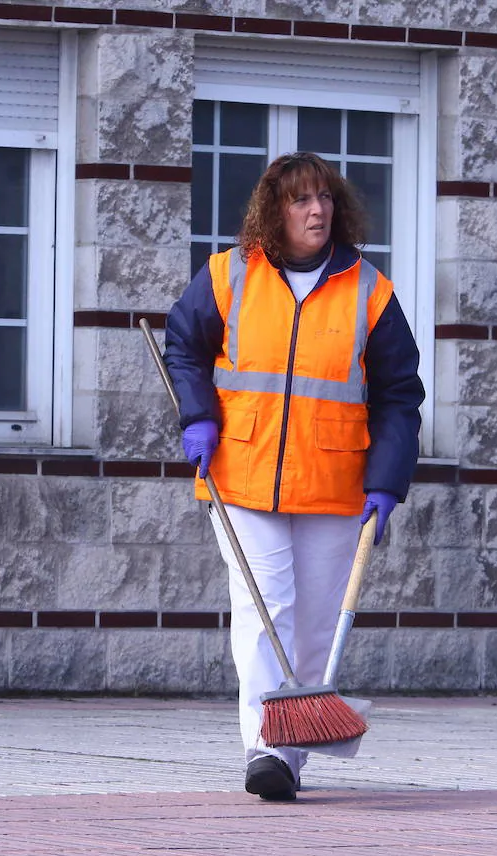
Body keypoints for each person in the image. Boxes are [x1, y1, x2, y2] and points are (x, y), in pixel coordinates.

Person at [163, 152, 424, 802]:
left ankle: (290, 755)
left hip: (336, 487)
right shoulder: (230, 275)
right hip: (244, 477)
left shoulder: (369, 291)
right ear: (273, 212)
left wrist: (386, 481)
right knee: (265, 610)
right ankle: (264, 746)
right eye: (301, 201)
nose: (317, 211)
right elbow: (183, 343)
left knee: (312, 626)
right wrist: (198, 415)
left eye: (325, 199)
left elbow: (399, 395)